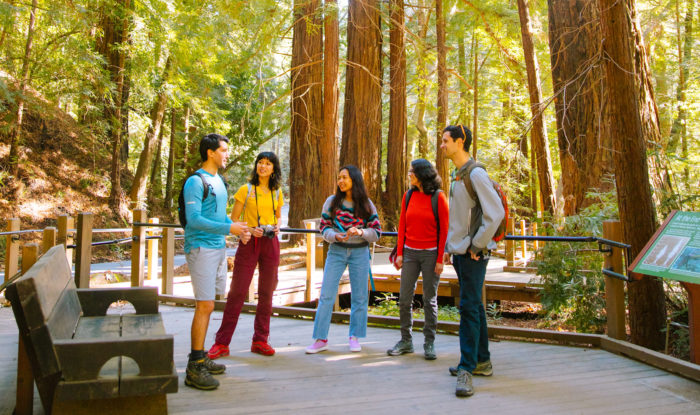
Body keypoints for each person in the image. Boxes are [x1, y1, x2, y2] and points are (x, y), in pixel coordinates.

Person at [440, 124, 505, 397]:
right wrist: (449, 247)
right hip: (461, 252)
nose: (442, 145)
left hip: (473, 254)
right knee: (475, 307)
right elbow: (459, 217)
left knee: (467, 308)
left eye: (446, 141)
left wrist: (477, 245)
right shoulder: (458, 174)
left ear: (460, 141)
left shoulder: (476, 173)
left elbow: (496, 213)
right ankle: (482, 361)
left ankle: (467, 369)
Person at [183, 133, 251, 390]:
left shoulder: (219, 181)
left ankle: (201, 356)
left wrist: (237, 228)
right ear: (210, 152)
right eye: (223, 150)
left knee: (210, 304)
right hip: (200, 248)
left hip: (218, 248)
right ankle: (194, 367)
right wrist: (228, 229)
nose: (227, 154)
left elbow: (219, 216)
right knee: (204, 306)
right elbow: (194, 219)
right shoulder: (195, 182)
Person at [208, 152, 284, 359]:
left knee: (267, 292)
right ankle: (221, 343)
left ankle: (260, 340)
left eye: (268, 164)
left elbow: (277, 218)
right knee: (237, 292)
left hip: (270, 243)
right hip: (249, 242)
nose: (263, 167)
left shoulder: (277, 192)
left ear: (274, 169)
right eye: (260, 162)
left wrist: (275, 228)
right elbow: (234, 220)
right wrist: (250, 229)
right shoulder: (245, 190)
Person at [305, 165, 382, 354]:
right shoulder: (331, 202)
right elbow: (324, 228)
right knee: (326, 295)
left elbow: (377, 232)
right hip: (337, 251)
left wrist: (360, 231)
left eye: (344, 177)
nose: (340, 181)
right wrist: (335, 236)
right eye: (339, 178)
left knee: (360, 297)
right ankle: (320, 339)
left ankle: (354, 337)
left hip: (359, 252)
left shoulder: (366, 204)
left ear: (354, 180)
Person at [387, 159, 449, 360]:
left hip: (431, 254)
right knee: (405, 299)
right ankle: (406, 340)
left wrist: (440, 258)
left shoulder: (438, 198)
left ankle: (429, 342)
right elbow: (403, 225)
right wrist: (400, 253)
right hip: (410, 253)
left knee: (429, 299)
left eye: (412, 172)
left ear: (422, 174)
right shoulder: (408, 195)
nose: (409, 175)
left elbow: (445, 231)